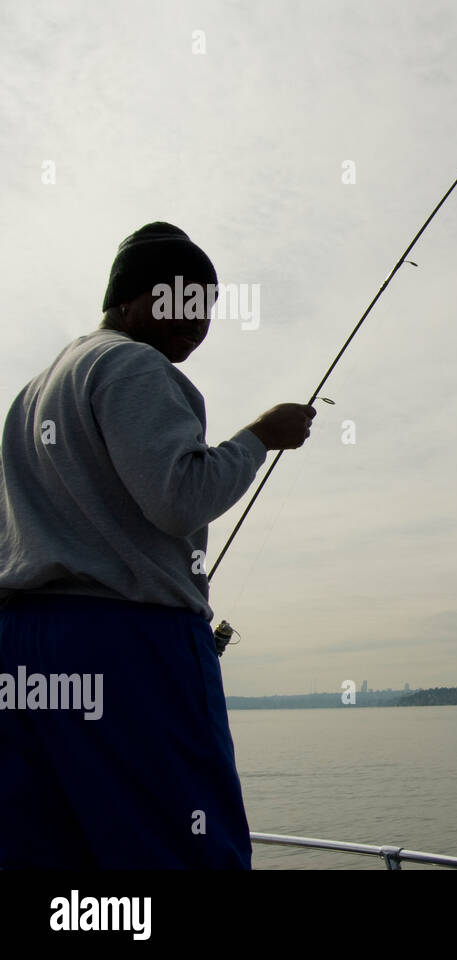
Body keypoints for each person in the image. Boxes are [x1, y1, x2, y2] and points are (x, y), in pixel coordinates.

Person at [0, 222, 316, 868]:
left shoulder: (31, 395)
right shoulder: (131, 366)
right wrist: (260, 436)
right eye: (185, 302)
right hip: (127, 646)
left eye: (208, 312)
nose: (197, 325)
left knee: (53, 852)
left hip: (24, 654)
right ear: (135, 295)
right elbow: (180, 496)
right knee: (183, 848)